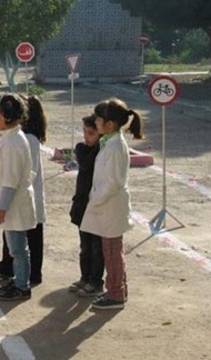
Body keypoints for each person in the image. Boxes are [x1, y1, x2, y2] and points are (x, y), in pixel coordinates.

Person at [80, 98, 144, 310]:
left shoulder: (115, 146)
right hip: (107, 205)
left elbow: (113, 182)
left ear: (110, 124)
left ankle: (115, 294)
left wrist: (95, 201)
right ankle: (118, 289)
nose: (95, 122)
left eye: (98, 119)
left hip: (109, 205)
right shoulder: (110, 141)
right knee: (112, 251)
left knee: (111, 252)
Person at [0, 95, 47, 286]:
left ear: (7, 116)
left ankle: (22, 284)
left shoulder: (16, 142)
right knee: (16, 248)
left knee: (19, 249)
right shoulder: (13, 138)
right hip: (15, 201)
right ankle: (19, 280)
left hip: (15, 202)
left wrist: (2, 207)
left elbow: (11, 180)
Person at [68, 114, 105, 297]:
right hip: (83, 205)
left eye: (91, 133)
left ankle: (96, 281)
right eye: (85, 132)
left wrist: (100, 144)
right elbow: (86, 163)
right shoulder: (82, 149)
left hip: (96, 205)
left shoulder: (103, 151)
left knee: (97, 247)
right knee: (85, 247)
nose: (86, 136)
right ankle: (85, 277)